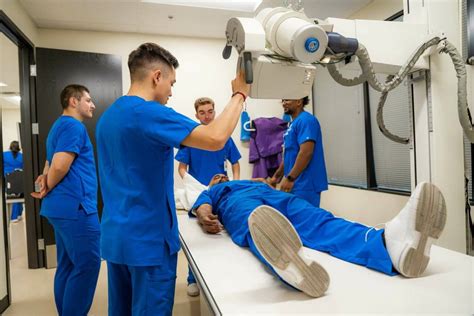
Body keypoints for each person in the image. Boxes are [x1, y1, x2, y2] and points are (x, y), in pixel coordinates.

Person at [96, 42, 249, 315]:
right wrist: (239, 94)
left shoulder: (109, 116)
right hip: (148, 243)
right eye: (171, 83)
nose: (170, 92)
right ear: (157, 76)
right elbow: (215, 138)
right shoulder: (149, 113)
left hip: (117, 239)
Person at [192, 175, 446, 298]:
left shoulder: (251, 180)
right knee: (255, 220)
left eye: (222, 175)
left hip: (276, 196)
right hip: (238, 202)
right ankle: (289, 263)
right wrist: (205, 213)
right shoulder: (216, 191)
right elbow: (202, 206)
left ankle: (389, 246)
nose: (221, 176)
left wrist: (264, 184)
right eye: (217, 177)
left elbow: (271, 186)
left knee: (321, 220)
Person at [31, 84, 101, 316]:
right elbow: (60, 165)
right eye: (88, 100)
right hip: (76, 208)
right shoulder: (73, 126)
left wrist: (45, 182)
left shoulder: (57, 126)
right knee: (88, 265)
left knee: (68, 265)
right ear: (73, 101)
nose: (93, 105)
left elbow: (50, 163)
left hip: (60, 209)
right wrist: (47, 186)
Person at [176, 96, 241, 296]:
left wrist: (234, 183)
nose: (207, 115)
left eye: (210, 111)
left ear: (215, 111)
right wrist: (197, 186)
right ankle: (192, 279)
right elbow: (181, 168)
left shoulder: (224, 138)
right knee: (199, 239)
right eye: (202, 112)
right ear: (196, 115)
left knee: (223, 234)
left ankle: (220, 276)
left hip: (221, 193)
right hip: (200, 195)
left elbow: (236, 163)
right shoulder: (192, 139)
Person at [270, 97, 328, 207]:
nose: (283, 103)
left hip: (306, 185)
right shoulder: (292, 125)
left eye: (287, 100)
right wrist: (276, 177)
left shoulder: (306, 120)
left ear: (299, 101)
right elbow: (289, 155)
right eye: (282, 101)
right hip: (295, 183)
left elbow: (306, 153)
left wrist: (290, 178)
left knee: (305, 220)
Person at [3, 140, 24, 221]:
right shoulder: (22, 156)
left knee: (10, 197)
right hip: (18, 178)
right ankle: (17, 215)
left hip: (7, 178)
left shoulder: (4, 154)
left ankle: (12, 217)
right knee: (18, 195)